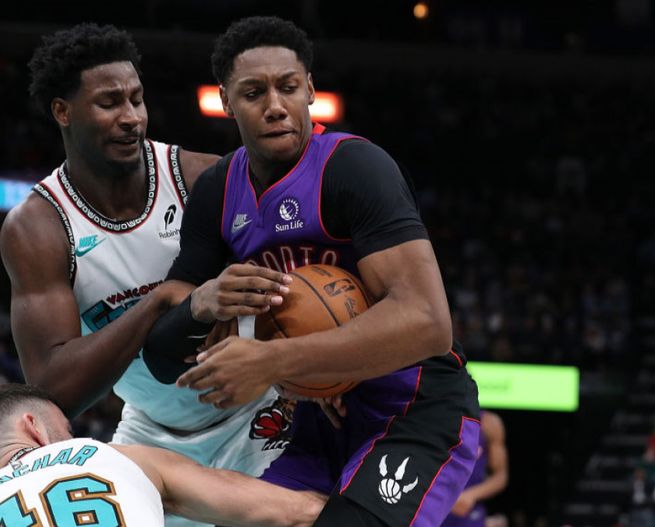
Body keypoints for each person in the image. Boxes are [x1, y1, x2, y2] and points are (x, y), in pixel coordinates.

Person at [144, 16, 480, 527]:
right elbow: (162, 358)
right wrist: (200, 304)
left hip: (412, 406)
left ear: (310, 91)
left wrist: (274, 361)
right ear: (227, 101)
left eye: (288, 87)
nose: (275, 106)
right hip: (316, 418)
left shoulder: (355, 168)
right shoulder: (217, 190)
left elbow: (429, 324)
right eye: (254, 92)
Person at [2, 22, 292, 527]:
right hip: (152, 434)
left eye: (137, 99)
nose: (132, 117)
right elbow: (54, 390)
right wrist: (160, 301)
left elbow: (293, 287)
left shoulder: (200, 176)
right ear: (63, 111)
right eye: (110, 103)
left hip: (256, 411)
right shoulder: (39, 226)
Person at [0, 384, 323, 527]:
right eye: (66, 429)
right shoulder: (106, 456)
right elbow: (291, 512)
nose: (70, 438)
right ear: (34, 427)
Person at [442, 411, 509, 527]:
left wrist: (471, 495)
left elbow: (500, 476)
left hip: (467, 511)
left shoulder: (489, 422)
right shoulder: (431, 419)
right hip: (434, 505)